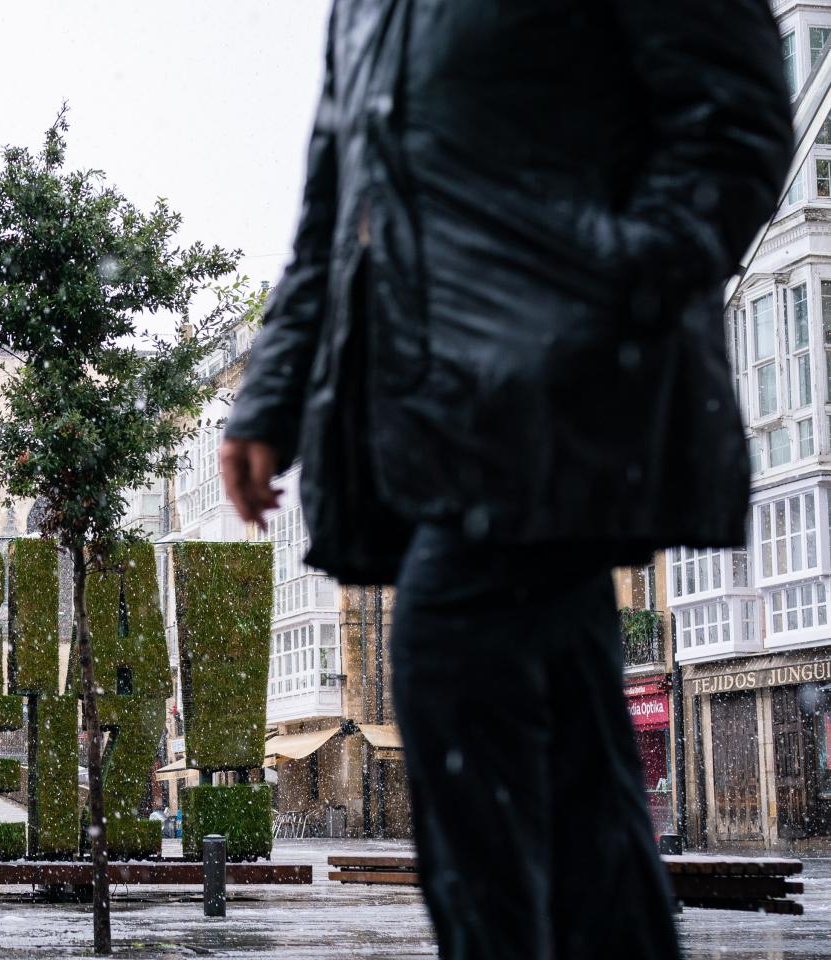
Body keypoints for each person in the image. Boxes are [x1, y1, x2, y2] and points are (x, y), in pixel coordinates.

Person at [221, 3, 792, 959]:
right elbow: (337, 206)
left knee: (449, 671)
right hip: (419, 418)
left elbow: (732, 127)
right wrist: (271, 394)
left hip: (553, 402)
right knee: (580, 791)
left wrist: (595, 302)